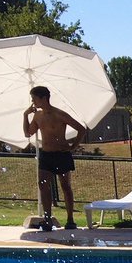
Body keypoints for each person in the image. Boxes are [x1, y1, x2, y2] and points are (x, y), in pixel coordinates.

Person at [22, 86, 87, 231]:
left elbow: (81, 129)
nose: (33, 102)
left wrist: (73, 146)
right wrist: (25, 115)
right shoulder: (37, 116)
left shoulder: (59, 114)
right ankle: (47, 219)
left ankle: (70, 219)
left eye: (34, 99)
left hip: (61, 154)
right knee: (43, 185)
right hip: (46, 155)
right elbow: (28, 133)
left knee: (65, 186)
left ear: (43, 98)